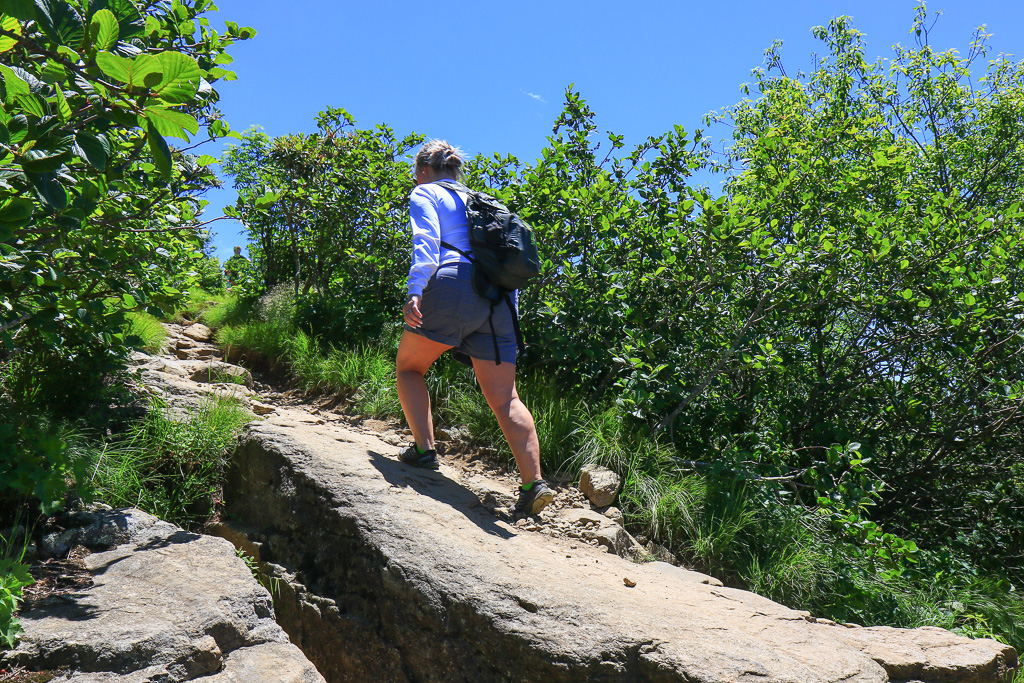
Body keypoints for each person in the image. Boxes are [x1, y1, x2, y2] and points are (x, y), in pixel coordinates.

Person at [396, 139, 554, 516]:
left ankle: (424, 451)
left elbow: (427, 241)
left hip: (451, 284)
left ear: (423, 171)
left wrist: (416, 290)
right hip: (498, 300)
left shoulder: (426, 193)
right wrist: (509, 321)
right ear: (455, 169)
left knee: (409, 368)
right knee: (506, 398)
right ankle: (534, 484)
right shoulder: (482, 201)